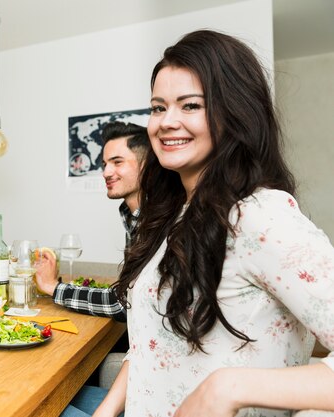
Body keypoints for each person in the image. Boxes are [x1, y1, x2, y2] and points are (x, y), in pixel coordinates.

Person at [93, 30, 334, 417]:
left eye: (190, 105)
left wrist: (229, 387)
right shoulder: (170, 217)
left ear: (235, 111)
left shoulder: (257, 216)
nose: (166, 122)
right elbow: (152, 344)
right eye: (158, 107)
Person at [36, 122, 150, 321]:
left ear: (146, 164)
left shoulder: (155, 221)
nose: (105, 173)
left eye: (117, 162)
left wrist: (53, 287)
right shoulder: (133, 217)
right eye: (104, 164)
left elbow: (122, 303)